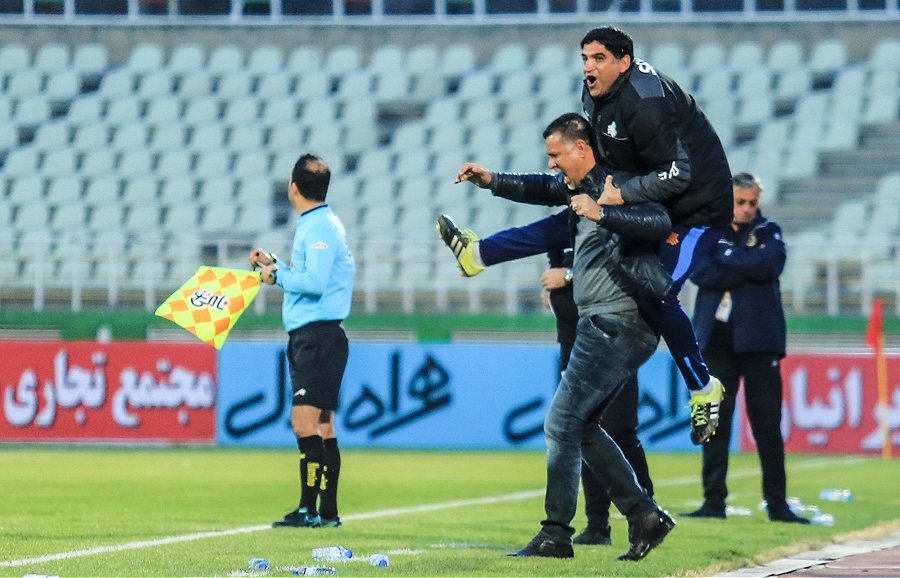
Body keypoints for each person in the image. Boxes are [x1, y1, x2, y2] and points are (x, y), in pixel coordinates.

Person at [454, 112, 675, 560]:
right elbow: (540, 186)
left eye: (557, 154)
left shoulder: (617, 187)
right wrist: (492, 180)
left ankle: (557, 534)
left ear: (583, 148)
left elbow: (658, 223)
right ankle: (643, 516)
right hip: (614, 323)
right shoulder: (583, 188)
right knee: (581, 425)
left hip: (614, 321)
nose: (552, 164)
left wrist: (601, 222)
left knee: (561, 423)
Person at [438, 213, 654, 546]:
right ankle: (599, 525)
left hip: (612, 337)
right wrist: (556, 291)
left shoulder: (611, 222)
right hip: (573, 338)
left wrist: (567, 276)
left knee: (619, 429)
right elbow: (550, 256)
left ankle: (645, 512)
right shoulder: (567, 224)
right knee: (582, 429)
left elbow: (622, 270)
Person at [578, 26, 735, 443]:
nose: (589, 67)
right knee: (619, 288)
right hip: (657, 209)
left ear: (624, 62)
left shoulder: (646, 101)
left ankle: (702, 386)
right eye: (585, 59)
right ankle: (605, 395)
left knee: (656, 290)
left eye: (599, 58)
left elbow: (678, 173)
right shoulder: (594, 96)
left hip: (698, 211)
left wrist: (622, 194)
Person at [683, 172, 810, 524]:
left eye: (752, 202)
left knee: (767, 424)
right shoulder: (707, 231)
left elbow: (770, 264)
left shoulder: (769, 230)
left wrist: (725, 256)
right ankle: (713, 502)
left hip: (759, 339)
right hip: (716, 340)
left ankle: (778, 505)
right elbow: (700, 273)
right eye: (741, 202)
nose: (747, 208)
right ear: (728, 200)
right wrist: (746, 264)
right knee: (714, 422)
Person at [249, 153, 355, 529]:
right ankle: (327, 512)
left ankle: (308, 510)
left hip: (317, 338)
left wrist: (276, 277)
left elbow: (314, 284)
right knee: (323, 426)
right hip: (319, 335)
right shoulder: (321, 223)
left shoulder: (319, 227)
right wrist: (274, 264)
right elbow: (309, 274)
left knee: (303, 423)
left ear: (293, 188)